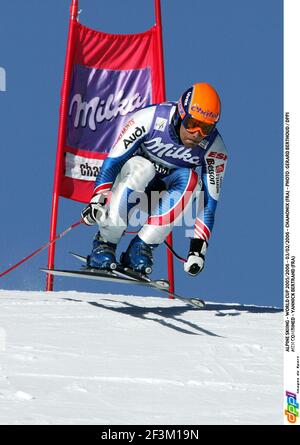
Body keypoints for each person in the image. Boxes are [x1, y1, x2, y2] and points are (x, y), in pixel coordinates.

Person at [81, 82, 228, 276]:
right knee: (144, 167)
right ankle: (105, 244)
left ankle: (141, 248)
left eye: (205, 129)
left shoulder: (214, 149)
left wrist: (197, 251)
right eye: (192, 125)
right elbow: (114, 161)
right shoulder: (148, 118)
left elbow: (209, 203)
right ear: (181, 114)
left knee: (192, 180)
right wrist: (97, 199)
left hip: (163, 200)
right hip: (129, 187)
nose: (197, 134)